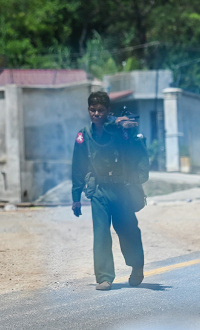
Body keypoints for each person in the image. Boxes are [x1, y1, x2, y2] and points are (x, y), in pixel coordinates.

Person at [71, 91, 149, 291]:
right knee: (101, 234)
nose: (96, 113)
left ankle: (136, 266)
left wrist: (126, 129)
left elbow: (134, 148)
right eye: (92, 110)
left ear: (108, 111)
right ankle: (104, 277)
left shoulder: (118, 131)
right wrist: (76, 197)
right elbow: (78, 166)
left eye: (100, 110)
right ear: (88, 111)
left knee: (127, 230)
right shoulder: (84, 135)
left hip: (121, 189)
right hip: (99, 190)